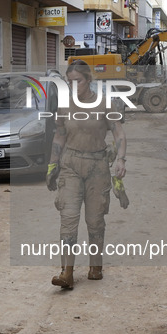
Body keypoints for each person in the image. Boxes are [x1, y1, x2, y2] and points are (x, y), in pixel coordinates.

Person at [46, 59, 127, 290]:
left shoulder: (104, 104)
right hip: (70, 165)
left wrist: (120, 159)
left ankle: (95, 265)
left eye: (78, 81)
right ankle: (66, 273)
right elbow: (59, 135)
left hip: (97, 167)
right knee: (68, 218)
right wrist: (53, 165)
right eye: (69, 82)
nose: (73, 86)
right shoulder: (64, 105)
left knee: (94, 220)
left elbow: (119, 134)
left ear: (89, 80)